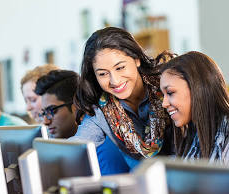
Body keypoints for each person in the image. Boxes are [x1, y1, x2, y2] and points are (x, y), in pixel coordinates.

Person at [71, 26, 173, 172]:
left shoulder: (166, 86)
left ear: (136, 59)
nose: (115, 81)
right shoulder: (101, 109)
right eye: (103, 74)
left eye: (120, 68)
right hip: (143, 187)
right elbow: (78, 144)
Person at [159, 51, 229, 167]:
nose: (164, 103)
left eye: (170, 93)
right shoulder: (192, 139)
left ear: (198, 89)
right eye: (163, 95)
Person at [35, 69, 79, 139]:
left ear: (77, 107)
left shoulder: (97, 145)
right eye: (44, 113)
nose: (45, 122)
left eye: (52, 110)